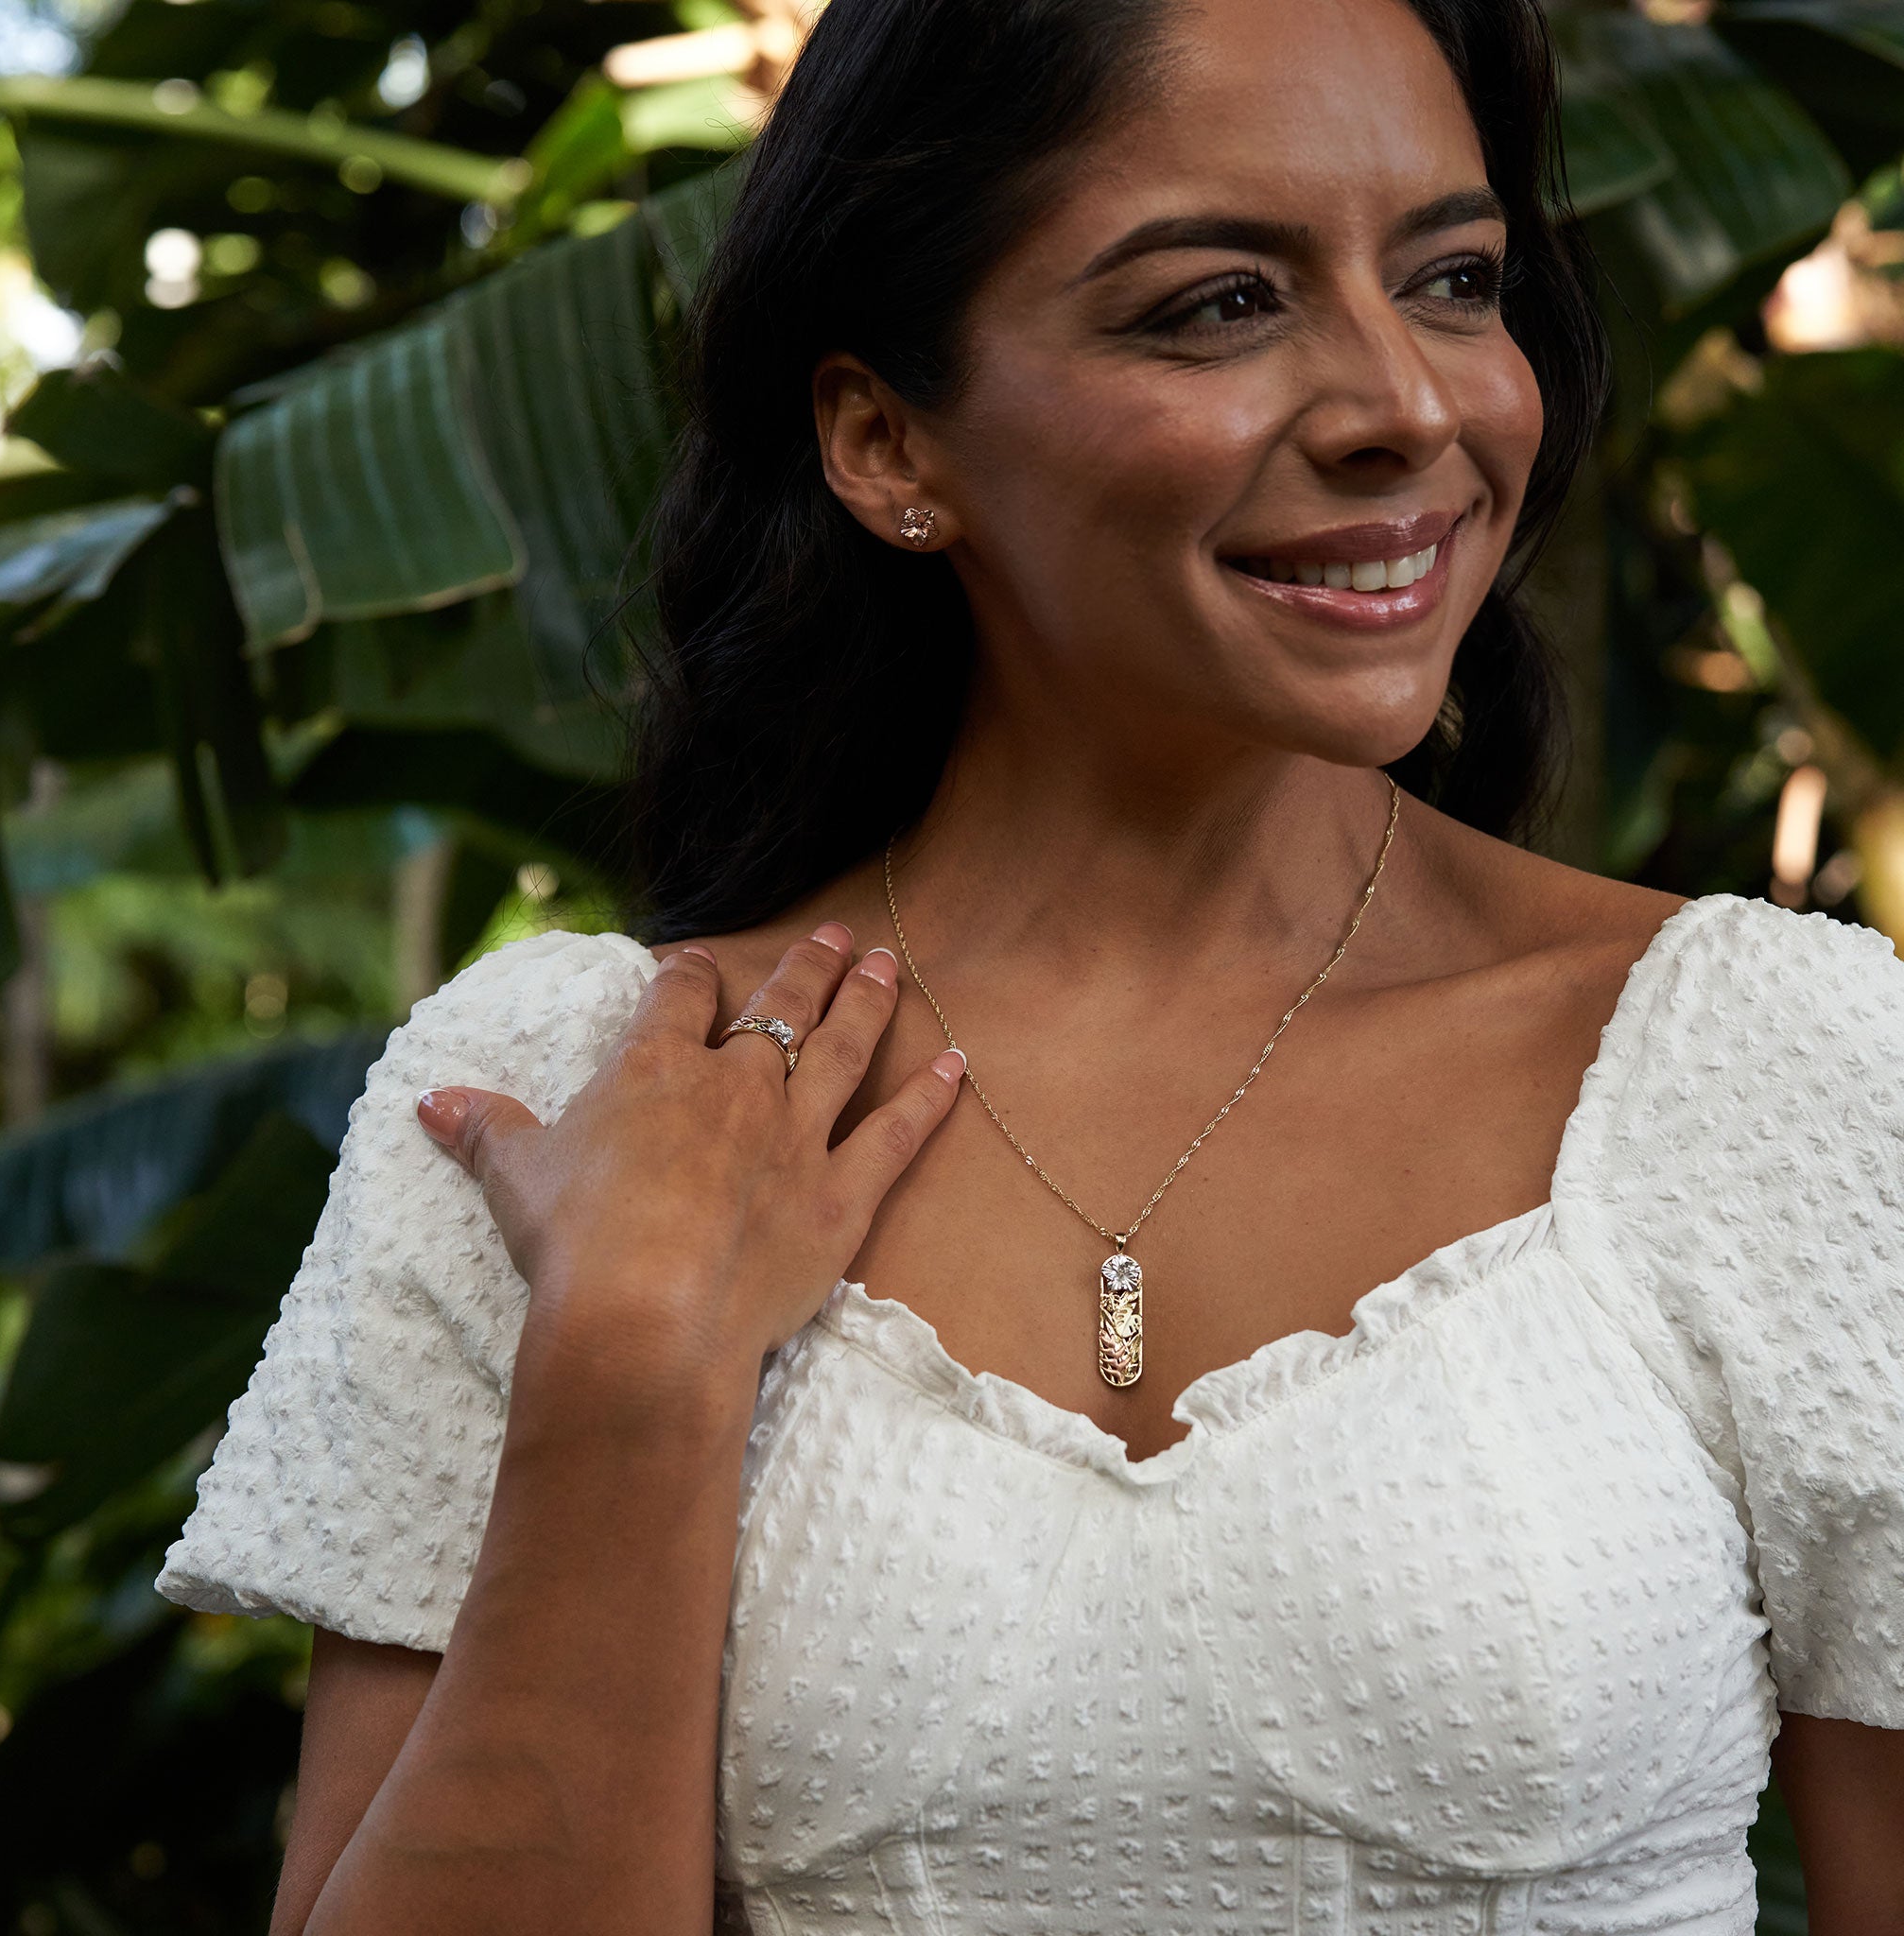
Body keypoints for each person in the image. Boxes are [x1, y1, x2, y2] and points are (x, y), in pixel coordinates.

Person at [157, 0, 1904, 1928]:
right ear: (887, 438)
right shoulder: (565, 1094)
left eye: (1453, 277)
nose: (1408, 401)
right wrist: (632, 1370)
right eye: (1218, 304)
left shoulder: (1766, 1067)